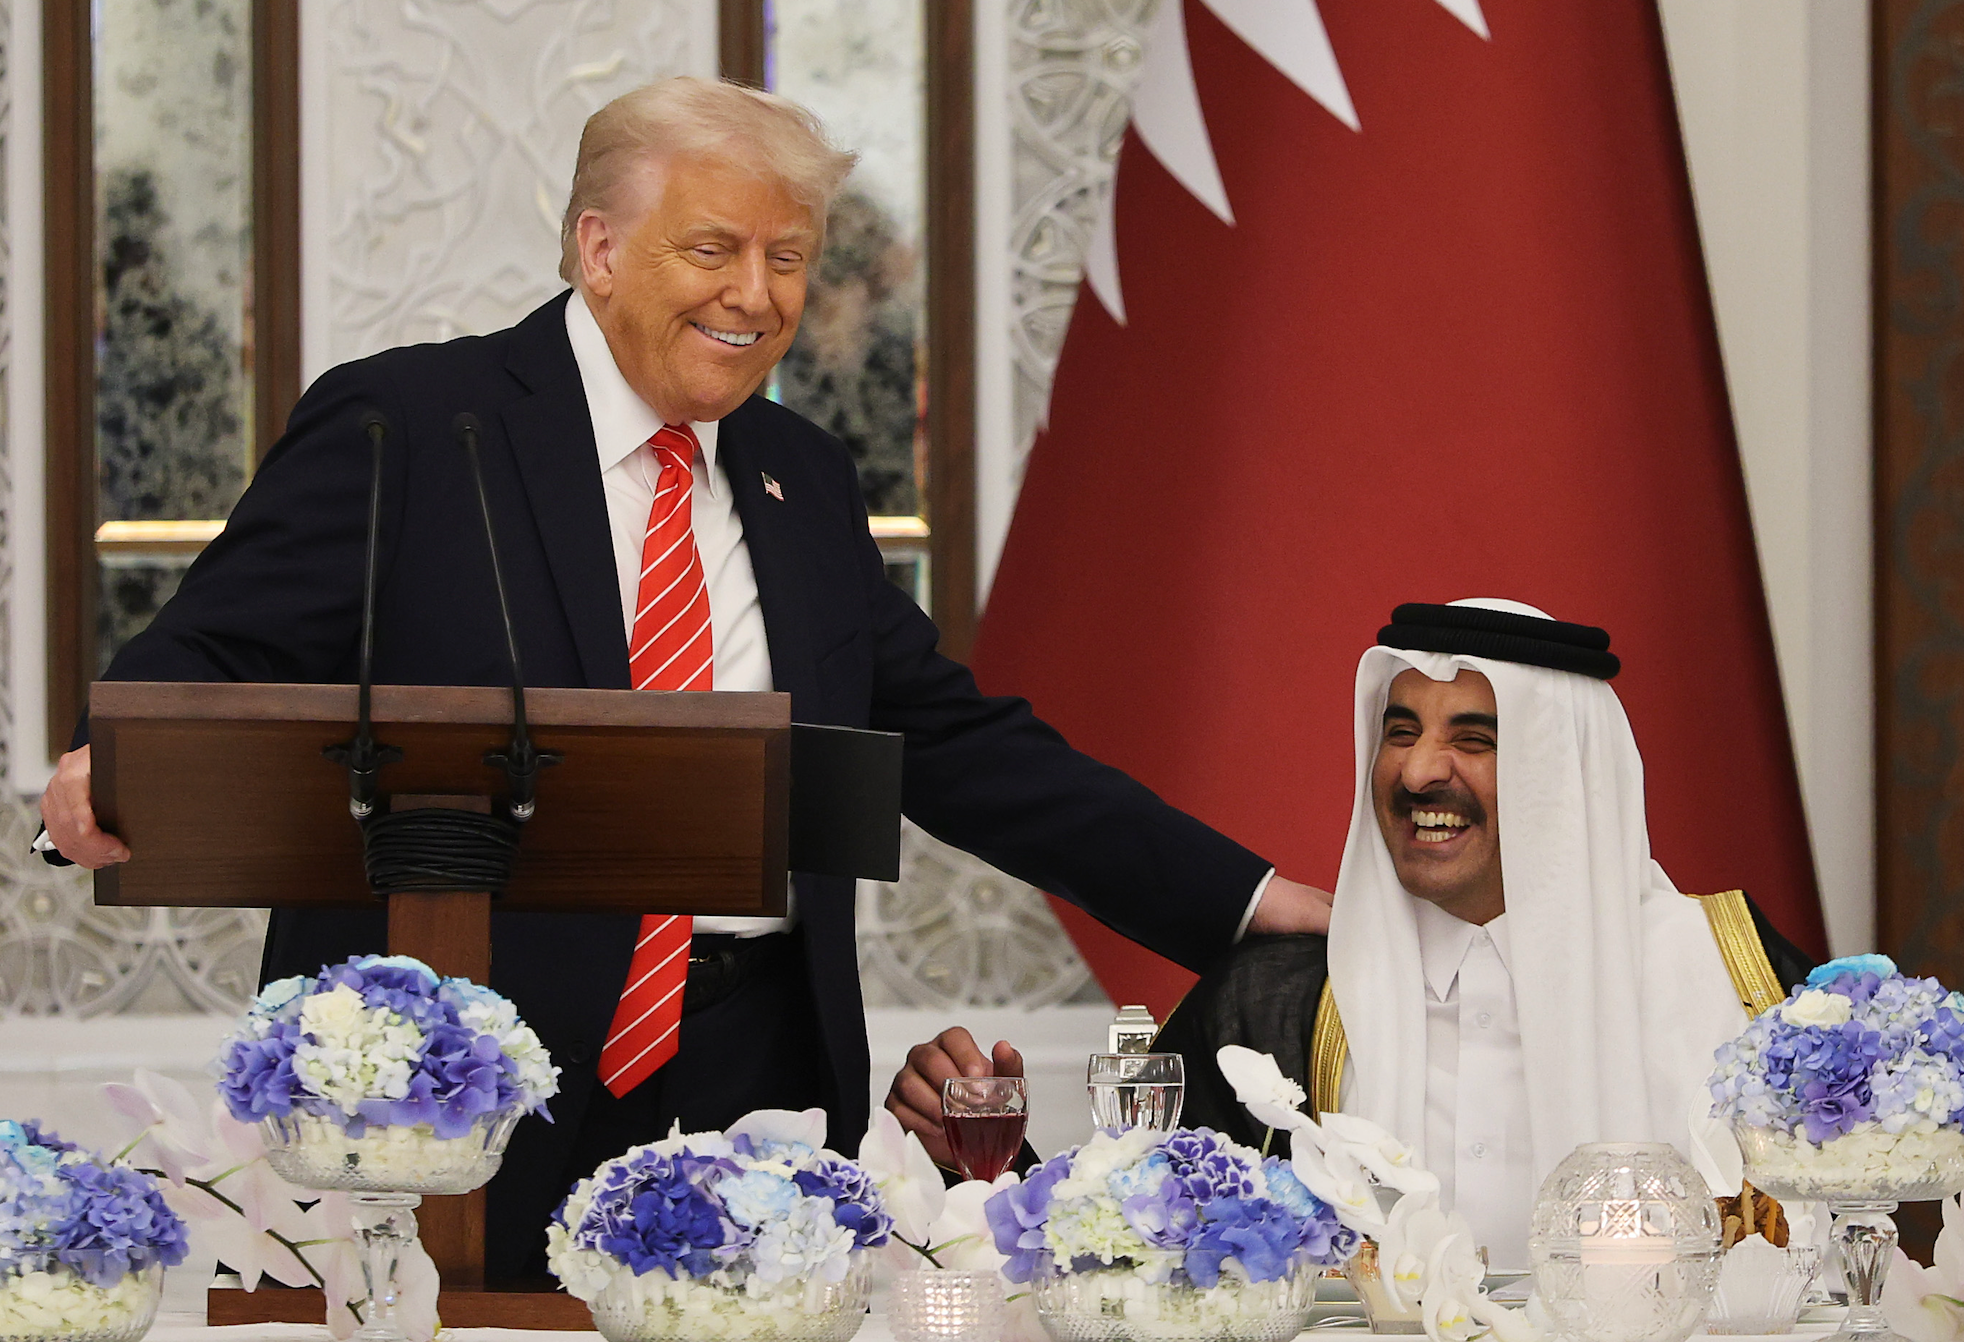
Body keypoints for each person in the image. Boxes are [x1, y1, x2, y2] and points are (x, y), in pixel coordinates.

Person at [34, 77, 1332, 1276]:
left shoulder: (802, 474)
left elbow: (955, 737)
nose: (758, 294)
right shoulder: (413, 430)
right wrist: (115, 756)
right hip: (468, 1072)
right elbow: (213, 645)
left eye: (790, 258)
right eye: (715, 248)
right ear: (598, 248)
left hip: (751, 1076)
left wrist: (1248, 896)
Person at [887, 599, 1813, 1270]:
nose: (1417, 772)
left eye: (1474, 739)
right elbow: (1130, 1254)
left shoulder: (1728, 973)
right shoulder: (1284, 999)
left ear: (1563, 773)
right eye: (1399, 731)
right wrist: (990, 1157)